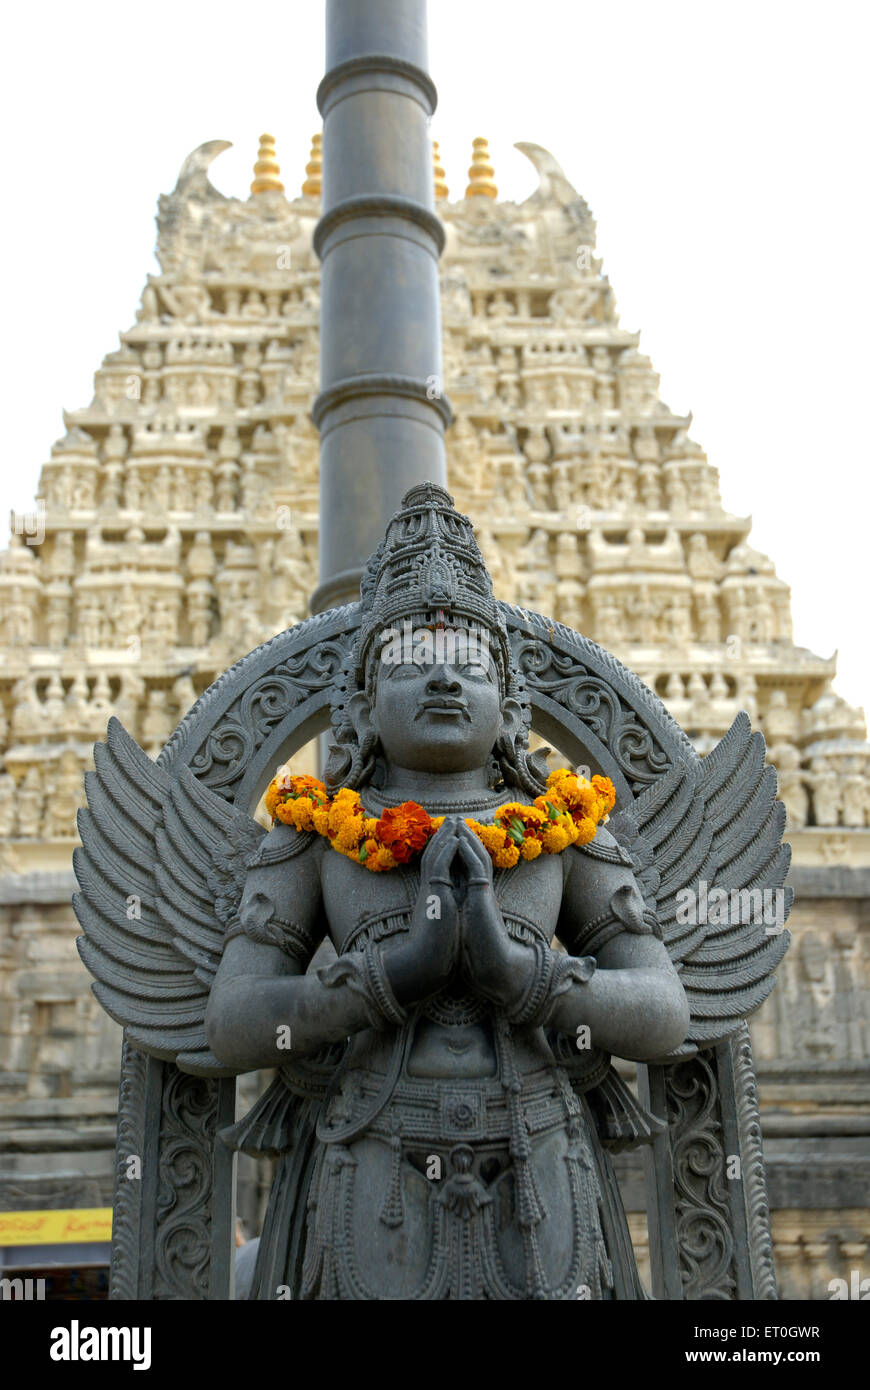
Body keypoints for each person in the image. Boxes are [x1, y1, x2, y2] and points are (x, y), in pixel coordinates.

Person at [204, 484, 690, 1301]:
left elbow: (664, 1012)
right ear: (363, 706)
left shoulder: (564, 827)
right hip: (372, 1154)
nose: (443, 680)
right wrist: (392, 976)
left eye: (470, 664)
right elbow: (233, 1024)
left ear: (511, 705)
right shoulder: (315, 832)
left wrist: (521, 976)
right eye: (409, 663)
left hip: (542, 1157)